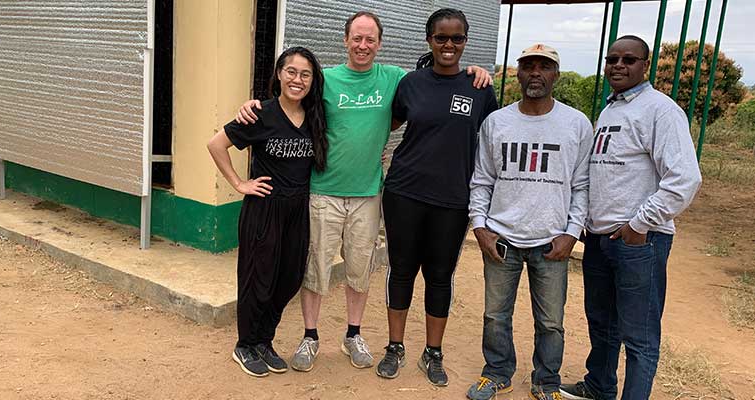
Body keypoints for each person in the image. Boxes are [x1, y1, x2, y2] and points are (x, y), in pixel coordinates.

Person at [236, 11, 493, 373]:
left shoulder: (394, 79)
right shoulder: (324, 80)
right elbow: (291, 101)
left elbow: (436, 78)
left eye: (370, 39)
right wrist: (254, 106)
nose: (363, 45)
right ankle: (310, 336)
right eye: (357, 38)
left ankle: (353, 334)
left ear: (379, 44)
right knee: (316, 270)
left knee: (360, 270)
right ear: (345, 40)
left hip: (368, 194)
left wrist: (476, 71)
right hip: (322, 192)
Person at [559, 35, 702, 400]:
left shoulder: (661, 110)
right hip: (600, 238)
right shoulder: (611, 109)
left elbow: (684, 178)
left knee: (639, 336)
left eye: (629, 59)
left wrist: (639, 224)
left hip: (640, 242)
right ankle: (599, 386)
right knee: (602, 324)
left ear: (645, 65)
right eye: (613, 59)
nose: (619, 65)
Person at [374, 8, 498, 387]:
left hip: (453, 199)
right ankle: (394, 346)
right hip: (404, 192)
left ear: (465, 41)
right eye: (441, 38)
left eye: (456, 38)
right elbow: (390, 122)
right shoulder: (411, 83)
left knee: (439, 275)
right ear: (429, 40)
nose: (449, 45)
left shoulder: (480, 88)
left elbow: (492, 138)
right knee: (402, 269)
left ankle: (433, 352)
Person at [465, 43, 594, 400]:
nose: (536, 72)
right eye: (528, 65)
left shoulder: (576, 123)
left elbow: (582, 186)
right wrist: (480, 226)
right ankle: (497, 373)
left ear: (556, 74)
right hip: (502, 239)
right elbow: (482, 180)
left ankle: (546, 382)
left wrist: (571, 233)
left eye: (545, 66)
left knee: (551, 321)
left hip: (551, 242)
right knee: (495, 316)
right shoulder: (497, 122)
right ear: (518, 73)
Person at [206, 47, 327, 377]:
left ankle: (264, 340)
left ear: (313, 80)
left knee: (288, 278)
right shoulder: (260, 113)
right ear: (278, 74)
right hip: (264, 208)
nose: (297, 79)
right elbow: (216, 144)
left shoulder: (315, 116)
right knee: (256, 279)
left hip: (297, 210)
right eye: (291, 72)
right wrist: (239, 183)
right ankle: (244, 345)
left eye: (305, 74)